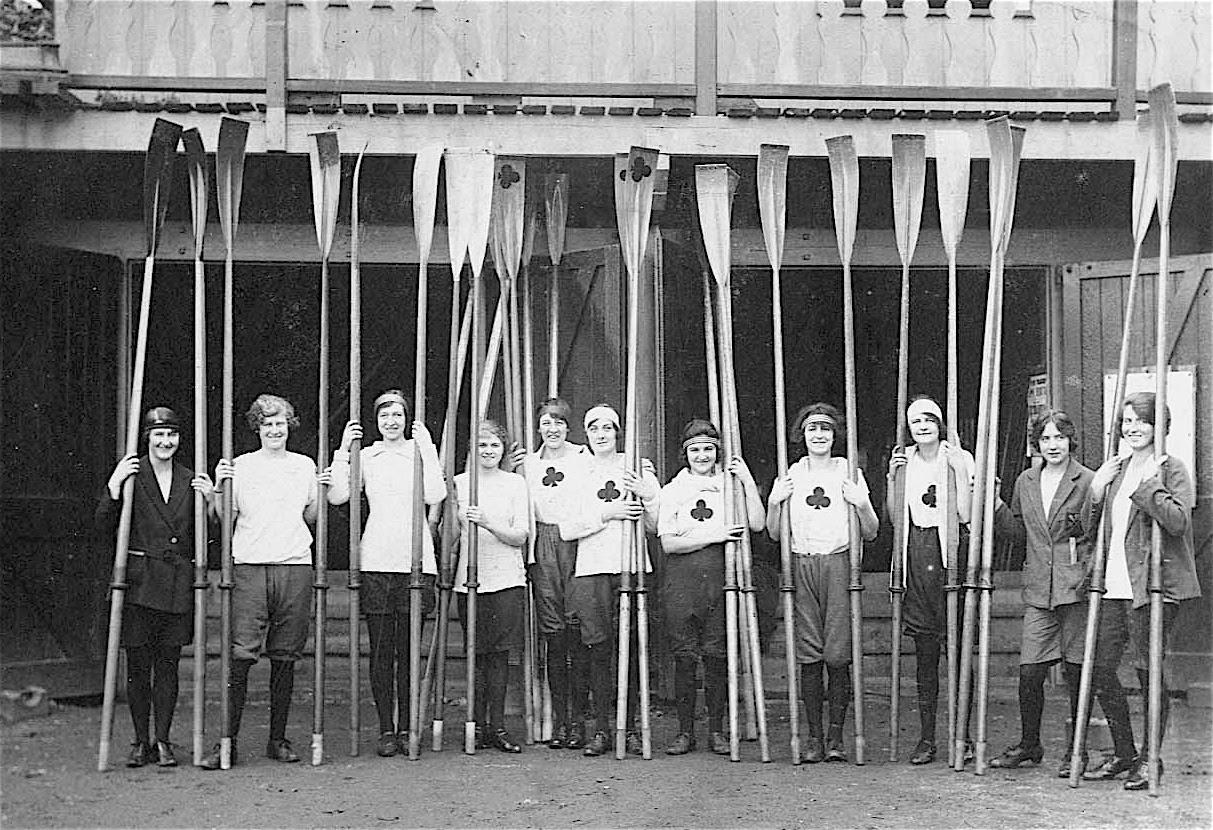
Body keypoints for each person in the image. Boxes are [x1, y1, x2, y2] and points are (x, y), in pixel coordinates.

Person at [1082, 391, 1200, 791]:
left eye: (1142, 421)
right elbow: (1091, 528)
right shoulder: (1116, 468)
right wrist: (1097, 489)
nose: (1133, 428)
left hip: (1152, 586)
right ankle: (1124, 753)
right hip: (1112, 584)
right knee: (1099, 668)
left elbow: (1179, 521)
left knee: (1148, 672)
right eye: (1127, 421)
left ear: (1158, 426)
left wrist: (1150, 486)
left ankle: (1151, 759)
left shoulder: (1171, 468)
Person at [200, 394, 320, 769]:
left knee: (285, 656)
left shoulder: (304, 466)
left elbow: (312, 516)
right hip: (250, 565)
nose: (274, 430)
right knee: (241, 655)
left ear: (290, 425)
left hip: (295, 565)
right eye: (267, 423)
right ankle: (227, 741)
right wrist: (219, 488)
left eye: (280, 422)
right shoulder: (241, 466)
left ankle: (277, 739)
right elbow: (225, 517)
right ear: (257, 428)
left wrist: (324, 487)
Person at [325, 390, 445, 757]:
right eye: (384, 416)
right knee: (381, 652)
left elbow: (436, 494)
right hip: (377, 559)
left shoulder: (418, 453)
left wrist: (427, 447)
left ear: (407, 419)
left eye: (397, 415)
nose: (391, 422)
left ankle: (408, 726)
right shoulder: (368, 456)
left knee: (408, 652)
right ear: (376, 421)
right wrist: (343, 450)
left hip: (415, 560)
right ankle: (386, 730)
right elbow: (337, 496)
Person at [96, 406, 217, 768]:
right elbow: (101, 526)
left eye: (172, 434)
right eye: (159, 434)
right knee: (138, 666)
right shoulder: (132, 476)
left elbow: (210, 538)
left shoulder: (190, 479)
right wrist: (114, 486)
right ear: (147, 438)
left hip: (176, 583)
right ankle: (140, 741)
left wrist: (210, 501)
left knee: (167, 666)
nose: (166, 441)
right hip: (139, 582)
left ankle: (162, 740)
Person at [767, 403, 879, 763]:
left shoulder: (848, 471)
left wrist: (862, 503)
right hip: (802, 563)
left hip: (838, 564)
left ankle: (836, 738)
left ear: (835, 435)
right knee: (809, 651)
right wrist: (774, 502)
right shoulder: (791, 474)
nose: (819, 435)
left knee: (837, 652)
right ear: (801, 435)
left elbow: (872, 531)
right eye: (812, 428)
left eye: (826, 429)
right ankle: (814, 737)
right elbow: (774, 533)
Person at [990, 410, 1094, 777]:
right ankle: (1030, 743)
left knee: (1076, 670)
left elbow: (1096, 535)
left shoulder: (1088, 481)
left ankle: (1076, 751)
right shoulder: (1026, 481)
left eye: (1059, 438)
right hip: (1039, 591)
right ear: (1037, 443)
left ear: (1070, 441)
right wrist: (996, 504)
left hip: (1075, 589)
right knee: (1030, 672)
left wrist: (1086, 573)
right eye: (1046, 438)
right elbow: (1020, 534)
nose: (1053, 445)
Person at [657, 418, 764, 756]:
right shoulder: (673, 489)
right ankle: (685, 731)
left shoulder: (729, 486)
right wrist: (714, 535)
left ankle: (717, 730)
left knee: (717, 654)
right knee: (685, 656)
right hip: (682, 579)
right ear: (685, 454)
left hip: (722, 577)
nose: (702, 456)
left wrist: (746, 480)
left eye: (708, 449)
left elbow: (757, 523)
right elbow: (669, 543)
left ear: (717, 452)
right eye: (695, 450)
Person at [558, 403, 660, 757]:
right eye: (594, 428)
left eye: (607, 428)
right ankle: (602, 729)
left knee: (630, 650)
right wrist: (608, 512)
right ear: (586, 433)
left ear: (618, 432)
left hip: (631, 566)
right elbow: (567, 528)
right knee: (598, 651)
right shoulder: (577, 471)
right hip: (592, 569)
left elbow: (656, 524)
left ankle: (629, 729)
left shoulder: (635, 466)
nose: (601, 435)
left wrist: (648, 493)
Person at [886, 395, 973, 765]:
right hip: (917, 554)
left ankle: (963, 736)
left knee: (957, 649)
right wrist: (892, 478)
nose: (922, 426)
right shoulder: (904, 459)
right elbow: (895, 518)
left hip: (949, 551)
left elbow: (966, 513)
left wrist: (958, 471)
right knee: (925, 653)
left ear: (940, 424)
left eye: (929, 419)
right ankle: (927, 738)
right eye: (915, 421)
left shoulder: (958, 456)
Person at [453, 419, 530, 752]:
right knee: (476, 654)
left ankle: (497, 727)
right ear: (473, 448)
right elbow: (449, 534)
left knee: (499, 656)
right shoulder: (459, 483)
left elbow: (520, 535)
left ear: (503, 450)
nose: (488, 451)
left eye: (494, 445)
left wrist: (488, 523)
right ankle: (476, 725)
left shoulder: (515, 484)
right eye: (482, 445)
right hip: (468, 579)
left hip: (506, 578)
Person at [522, 398, 591, 750]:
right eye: (546, 422)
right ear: (538, 427)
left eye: (559, 422)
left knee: (577, 631)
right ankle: (561, 721)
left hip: (576, 541)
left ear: (568, 426)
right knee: (554, 634)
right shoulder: (528, 464)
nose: (553, 429)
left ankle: (579, 722)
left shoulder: (583, 457)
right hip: (544, 544)